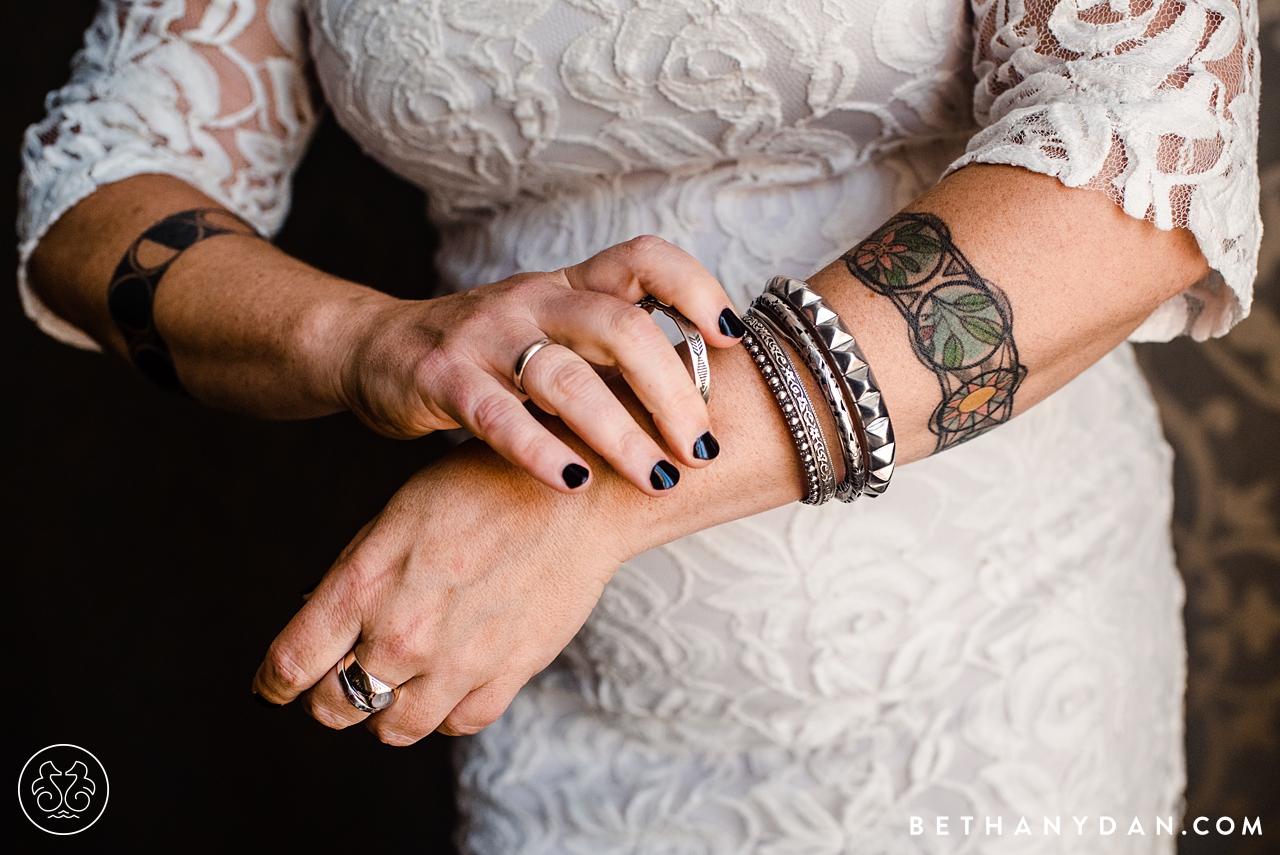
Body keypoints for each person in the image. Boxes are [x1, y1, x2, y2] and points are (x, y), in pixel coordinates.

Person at [19, 0, 1259, 851]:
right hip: (557, 717)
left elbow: (1140, 152)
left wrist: (591, 493)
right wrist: (370, 341)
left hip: (976, 687)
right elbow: (98, 183)